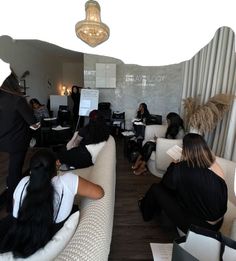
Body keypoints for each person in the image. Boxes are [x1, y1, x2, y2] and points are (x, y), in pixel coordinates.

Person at [0, 149, 104, 258]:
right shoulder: (67, 181)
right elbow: (99, 193)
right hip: (43, 235)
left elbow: (15, 211)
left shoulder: (23, 182)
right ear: (57, 164)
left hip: (15, 233)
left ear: (31, 169)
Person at [138, 133, 228, 234]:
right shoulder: (214, 164)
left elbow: (165, 184)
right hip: (218, 223)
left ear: (185, 150)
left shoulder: (180, 168)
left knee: (155, 188)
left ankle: (145, 212)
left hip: (200, 227)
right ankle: (152, 205)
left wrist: (173, 164)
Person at [0, 62, 39, 212]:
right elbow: (33, 123)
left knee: (10, 171)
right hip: (16, 143)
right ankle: (12, 205)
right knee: (14, 172)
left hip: (2, 141)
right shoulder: (17, 99)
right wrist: (37, 125)